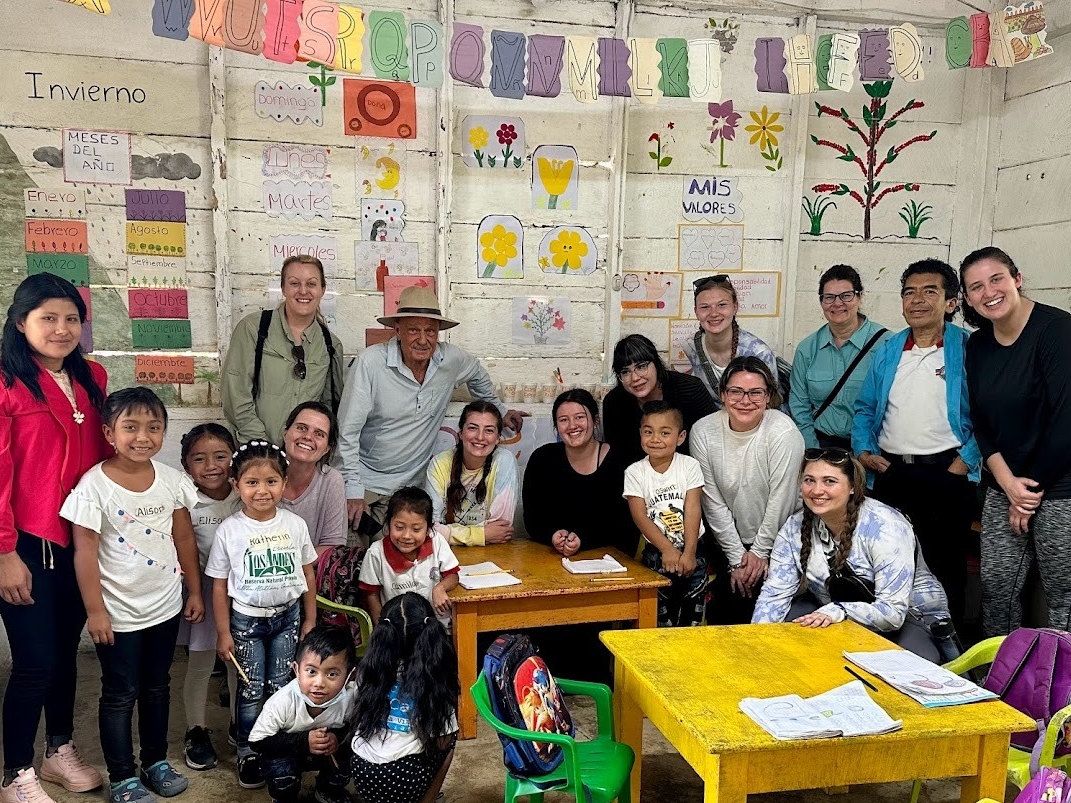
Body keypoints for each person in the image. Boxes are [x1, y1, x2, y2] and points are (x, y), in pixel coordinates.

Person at [62, 387, 202, 803]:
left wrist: (193, 589)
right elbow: (84, 553)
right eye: (131, 427)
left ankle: (155, 761)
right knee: (120, 693)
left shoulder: (173, 482)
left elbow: (184, 539)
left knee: (157, 686)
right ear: (109, 432)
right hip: (118, 615)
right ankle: (123, 777)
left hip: (164, 606)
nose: (143, 437)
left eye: (154, 427)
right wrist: (96, 612)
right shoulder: (93, 487)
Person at [0, 273, 108, 803]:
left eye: (71, 319)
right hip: (25, 542)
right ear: (21, 323)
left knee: (66, 653)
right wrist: (3, 554)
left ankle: (58, 751)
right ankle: (15, 771)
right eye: (48, 318)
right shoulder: (6, 384)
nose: (62, 329)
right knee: (35, 660)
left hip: (79, 542)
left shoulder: (92, 379)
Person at [852, 259, 980, 630]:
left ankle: (948, 653)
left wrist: (964, 463)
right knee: (888, 563)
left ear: (951, 302)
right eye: (909, 292)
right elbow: (865, 408)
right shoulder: (890, 349)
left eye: (930, 291)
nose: (917, 300)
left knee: (945, 567)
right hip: (892, 473)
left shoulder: (968, 349)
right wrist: (863, 451)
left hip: (947, 474)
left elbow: (989, 416)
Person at [336, 286, 526, 531]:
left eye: (431, 331)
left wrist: (499, 411)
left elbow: (477, 374)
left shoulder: (450, 360)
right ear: (397, 331)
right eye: (414, 330)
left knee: (410, 555)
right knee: (353, 555)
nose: (423, 340)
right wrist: (352, 490)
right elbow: (347, 432)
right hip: (366, 483)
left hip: (413, 487)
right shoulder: (370, 363)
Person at [960, 247, 1071, 635]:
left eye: (996, 279)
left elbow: (1066, 423)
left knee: (1064, 598)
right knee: (997, 590)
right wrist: (1008, 485)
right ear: (968, 298)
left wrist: (1029, 494)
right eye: (976, 287)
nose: (988, 292)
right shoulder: (977, 346)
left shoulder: (1057, 330)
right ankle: (999, 680)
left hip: (1059, 487)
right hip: (1003, 484)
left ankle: (1060, 691)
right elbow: (980, 422)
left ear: (1016, 279)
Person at [752, 448, 951, 662]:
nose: (817, 490)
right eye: (809, 480)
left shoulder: (885, 526)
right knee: (793, 623)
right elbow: (774, 597)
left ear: (853, 487)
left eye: (829, 481)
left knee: (906, 668)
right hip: (835, 615)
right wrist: (758, 645)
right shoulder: (794, 527)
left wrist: (839, 610)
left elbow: (893, 614)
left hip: (910, 618)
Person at [206, 441, 319, 791]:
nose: (262, 490)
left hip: (288, 618)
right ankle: (249, 750)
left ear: (284, 484)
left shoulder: (295, 525)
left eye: (271, 481)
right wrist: (223, 633)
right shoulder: (230, 530)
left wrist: (310, 619)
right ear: (236, 484)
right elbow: (220, 585)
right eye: (252, 482)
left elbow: (308, 575)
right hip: (246, 623)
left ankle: (280, 748)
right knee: (252, 688)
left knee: (282, 686)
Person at [690, 356, 804, 625]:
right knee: (724, 616)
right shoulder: (703, 431)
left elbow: (782, 499)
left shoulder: (782, 432)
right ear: (722, 394)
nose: (745, 400)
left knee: (766, 623)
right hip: (731, 544)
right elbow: (712, 500)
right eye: (736, 391)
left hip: (780, 542)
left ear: (768, 397)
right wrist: (737, 559)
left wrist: (760, 552)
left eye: (756, 393)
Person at [222, 255, 344, 445]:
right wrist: (260, 443)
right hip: (255, 451)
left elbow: (326, 408)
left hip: (302, 456)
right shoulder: (254, 329)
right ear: (283, 288)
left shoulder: (331, 346)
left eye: (311, 284)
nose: (303, 291)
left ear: (322, 290)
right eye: (294, 283)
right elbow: (235, 393)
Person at [350, 593, 459, 803]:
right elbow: (443, 736)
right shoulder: (434, 676)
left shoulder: (368, 669)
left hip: (362, 773)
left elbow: (356, 714)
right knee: (450, 738)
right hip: (404, 778)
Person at [177, 424, 241, 773]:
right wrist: (195, 593)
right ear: (187, 465)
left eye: (220, 456)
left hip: (243, 592)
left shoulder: (244, 492)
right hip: (202, 590)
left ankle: (237, 724)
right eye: (199, 459)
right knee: (201, 664)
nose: (211, 466)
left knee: (237, 664)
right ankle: (196, 731)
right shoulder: (185, 497)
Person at [524, 389, 638, 558]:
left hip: (608, 561)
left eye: (580, 417)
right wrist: (553, 536)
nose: (572, 426)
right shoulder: (542, 459)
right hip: (553, 558)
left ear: (596, 420)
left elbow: (627, 525)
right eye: (564, 420)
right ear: (556, 426)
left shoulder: (620, 462)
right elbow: (532, 519)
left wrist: (583, 540)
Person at [248, 626, 357, 803]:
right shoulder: (282, 701)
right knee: (281, 773)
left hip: (326, 753)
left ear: (350, 676)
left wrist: (337, 738)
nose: (319, 683)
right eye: (311, 671)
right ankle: (285, 797)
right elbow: (257, 742)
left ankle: (328, 789)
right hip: (287, 754)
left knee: (357, 753)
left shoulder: (351, 698)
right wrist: (303, 741)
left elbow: (357, 729)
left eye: (332, 674)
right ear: (296, 670)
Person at [623, 402, 707, 627]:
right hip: (656, 554)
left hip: (693, 551)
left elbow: (692, 508)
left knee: (691, 619)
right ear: (640, 434)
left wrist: (689, 552)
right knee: (659, 620)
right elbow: (640, 516)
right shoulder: (635, 472)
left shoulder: (689, 466)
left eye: (665, 432)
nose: (655, 439)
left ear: (680, 437)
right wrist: (667, 549)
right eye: (648, 432)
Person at [789, 265, 890, 449]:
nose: (837, 303)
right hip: (823, 446)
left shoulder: (887, 344)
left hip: (873, 449)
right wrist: (814, 452)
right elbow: (799, 407)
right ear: (821, 302)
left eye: (846, 295)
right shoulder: (807, 349)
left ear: (860, 297)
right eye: (829, 297)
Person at [603, 334, 717, 466]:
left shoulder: (690, 389)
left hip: (691, 477)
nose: (634, 378)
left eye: (641, 367)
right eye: (625, 372)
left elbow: (713, 442)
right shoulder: (614, 403)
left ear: (656, 363)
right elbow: (618, 459)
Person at [358, 487, 460, 630]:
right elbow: (371, 594)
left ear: (429, 529)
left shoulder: (437, 541)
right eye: (399, 527)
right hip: (398, 631)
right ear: (388, 524)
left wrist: (440, 588)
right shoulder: (376, 552)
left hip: (436, 628)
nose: (406, 536)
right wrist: (382, 628)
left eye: (416, 529)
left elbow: (453, 575)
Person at [425, 401, 518, 547]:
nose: (480, 437)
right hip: (446, 553)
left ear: (498, 437)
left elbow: (501, 530)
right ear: (461, 433)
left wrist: (449, 533)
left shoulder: (504, 461)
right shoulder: (440, 463)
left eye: (489, 430)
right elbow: (430, 529)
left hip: (494, 552)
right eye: (473, 428)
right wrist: (482, 534)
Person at [682, 275, 780, 406]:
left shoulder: (759, 353)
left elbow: (772, 402)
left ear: (735, 307)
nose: (714, 313)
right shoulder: (691, 346)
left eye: (722, 305)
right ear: (696, 312)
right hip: (713, 421)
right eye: (705, 307)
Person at [279, 402, 347, 557]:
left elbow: (332, 547)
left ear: (327, 448)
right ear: (285, 433)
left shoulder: (331, 481)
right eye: (301, 428)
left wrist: (288, 567)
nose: (308, 437)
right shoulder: (259, 473)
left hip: (311, 573)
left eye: (319, 434)